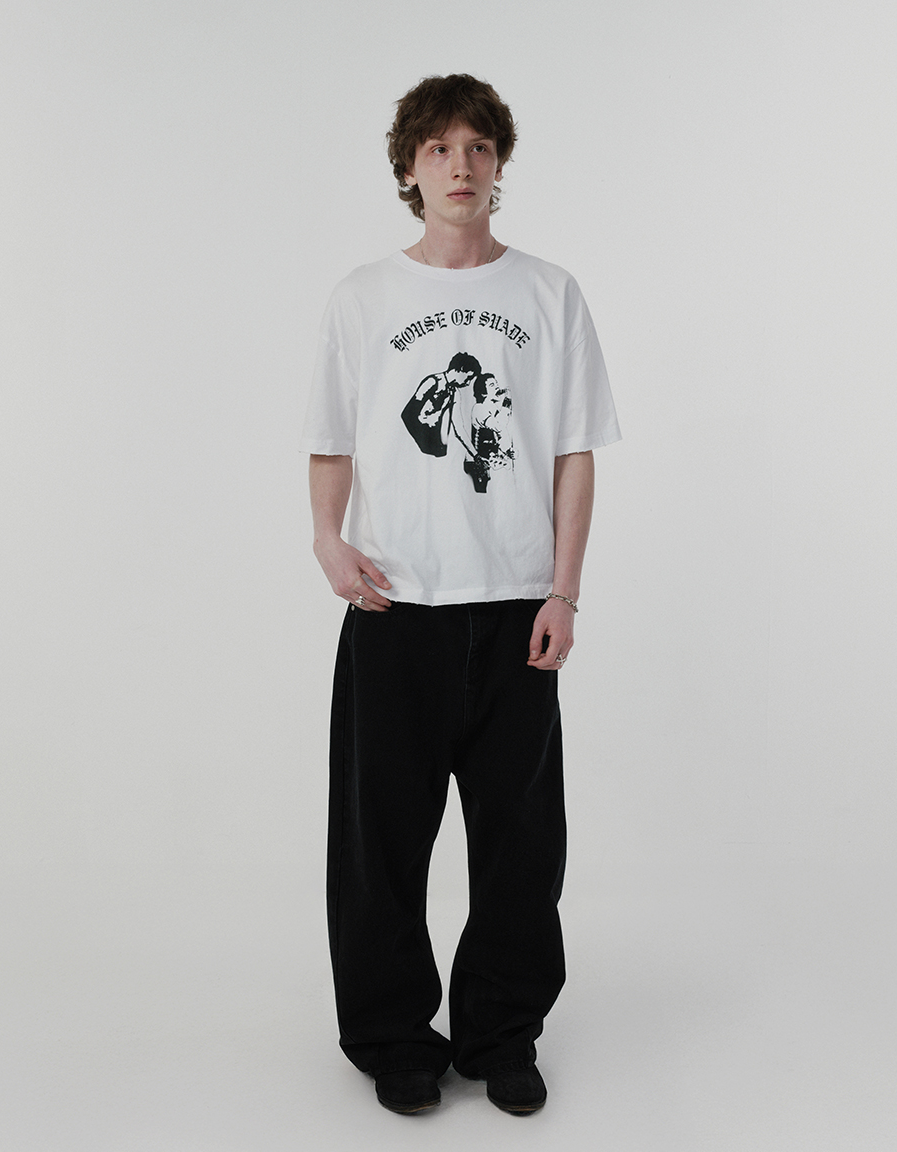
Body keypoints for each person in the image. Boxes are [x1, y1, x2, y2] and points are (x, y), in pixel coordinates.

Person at [301, 73, 620, 1116]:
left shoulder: (549, 293)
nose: (461, 166)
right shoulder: (363, 297)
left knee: (522, 844)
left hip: (517, 606)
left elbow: (574, 454)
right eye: (438, 148)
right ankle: (394, 1036)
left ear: (500, 164)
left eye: (479, 147)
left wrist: (564, 591)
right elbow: (331, 441)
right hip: (394, 608)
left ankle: (501, 1033)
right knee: (380, 843)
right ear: (409, 167)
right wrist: (328, 542)